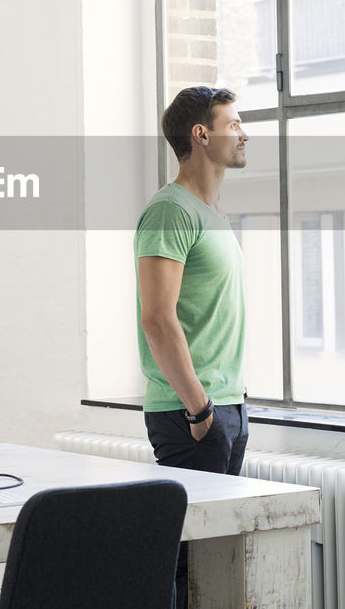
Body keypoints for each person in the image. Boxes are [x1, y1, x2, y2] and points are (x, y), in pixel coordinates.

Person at [136, 85, 249, 476]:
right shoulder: (170, 211)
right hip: (190, 411)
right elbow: (157, 318)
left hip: (226, 404)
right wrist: (200, 410)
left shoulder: (211, 213)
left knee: (221, 537)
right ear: (201, 135)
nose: (244, 135)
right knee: (191, 537)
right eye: (233, 125)